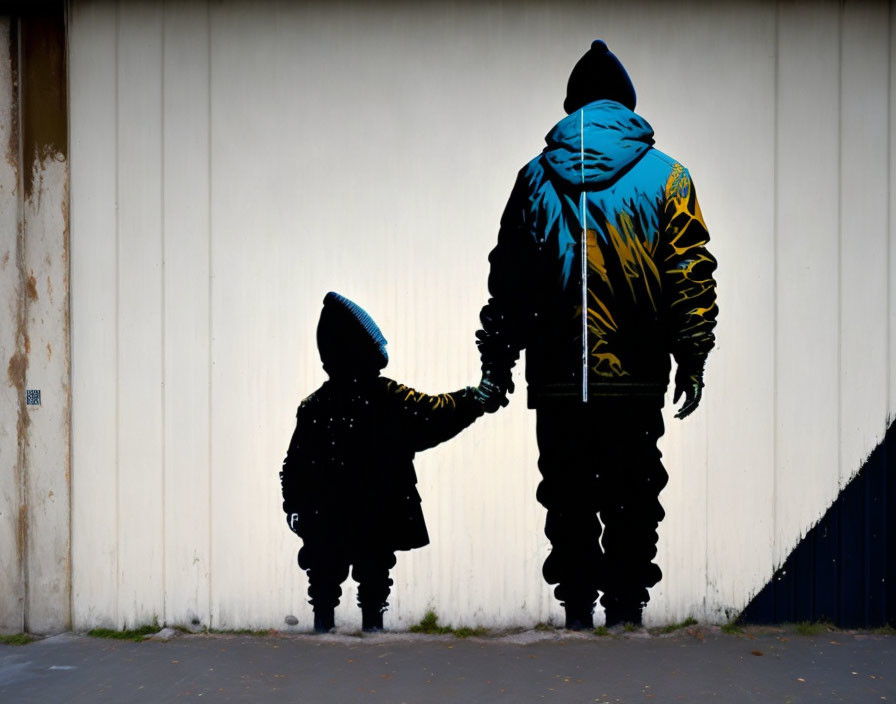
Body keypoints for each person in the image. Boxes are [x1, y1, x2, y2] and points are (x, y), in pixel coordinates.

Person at [473, 40, 718, 629]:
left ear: (570, 108)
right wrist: (693, 355)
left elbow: (508, 281)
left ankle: (578, 615)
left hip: (557, 376)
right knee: (635, 495)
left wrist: (497, 360)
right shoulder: (669, 178)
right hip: (634, 376)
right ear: (628, 107)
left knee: (568, 498)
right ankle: (627, 614)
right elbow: (690, 272)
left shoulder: (534, 180)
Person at [281, 292, 483, 633]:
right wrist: (474, 399)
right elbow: (435, 414)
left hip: (325, 518)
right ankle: (373, 631)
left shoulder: (315, 407)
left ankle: (322, 631)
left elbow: (294, 467)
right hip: (377, 515)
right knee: (373, 579)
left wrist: (295, 508)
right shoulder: (388, 399)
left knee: (324, 581)